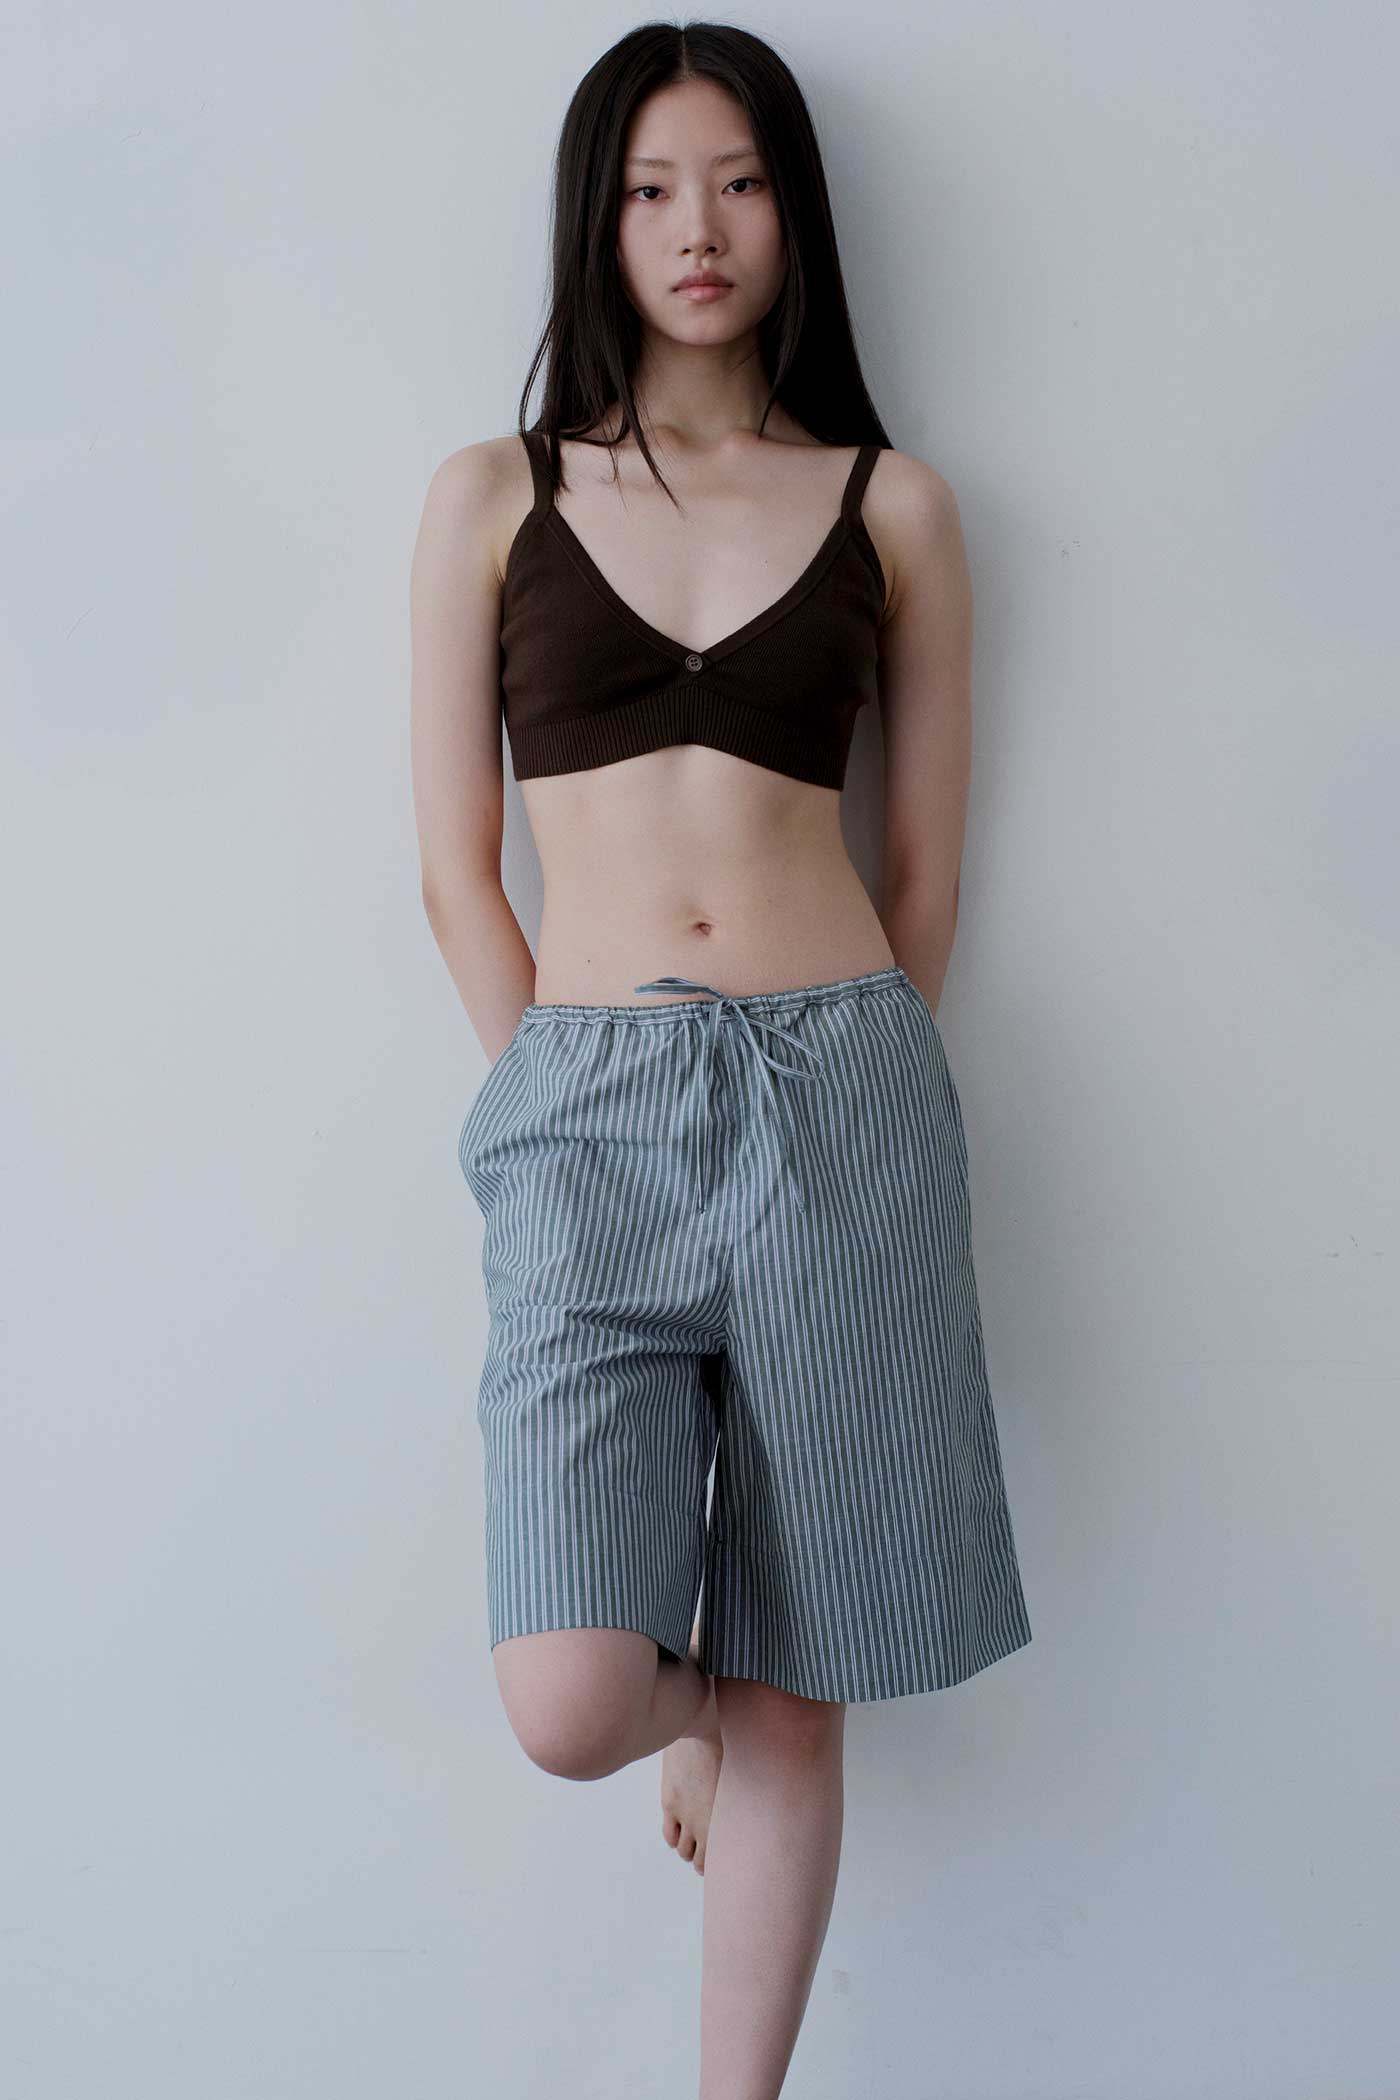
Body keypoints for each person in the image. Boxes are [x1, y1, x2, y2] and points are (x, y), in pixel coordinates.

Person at [410, 22, 1032, 2096]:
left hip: (839, 1094)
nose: (700, 228)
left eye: (742, 183)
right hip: (578, 1101)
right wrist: (541, 1104)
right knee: (572, 1697)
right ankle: (697, 1699)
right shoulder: (492, 497)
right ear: (597, 218)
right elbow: (454, 871)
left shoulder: (894, 505)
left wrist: (860, 1091)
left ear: (794, 215)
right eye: (654, 187)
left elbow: (922, 872)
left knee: (808, 1679)